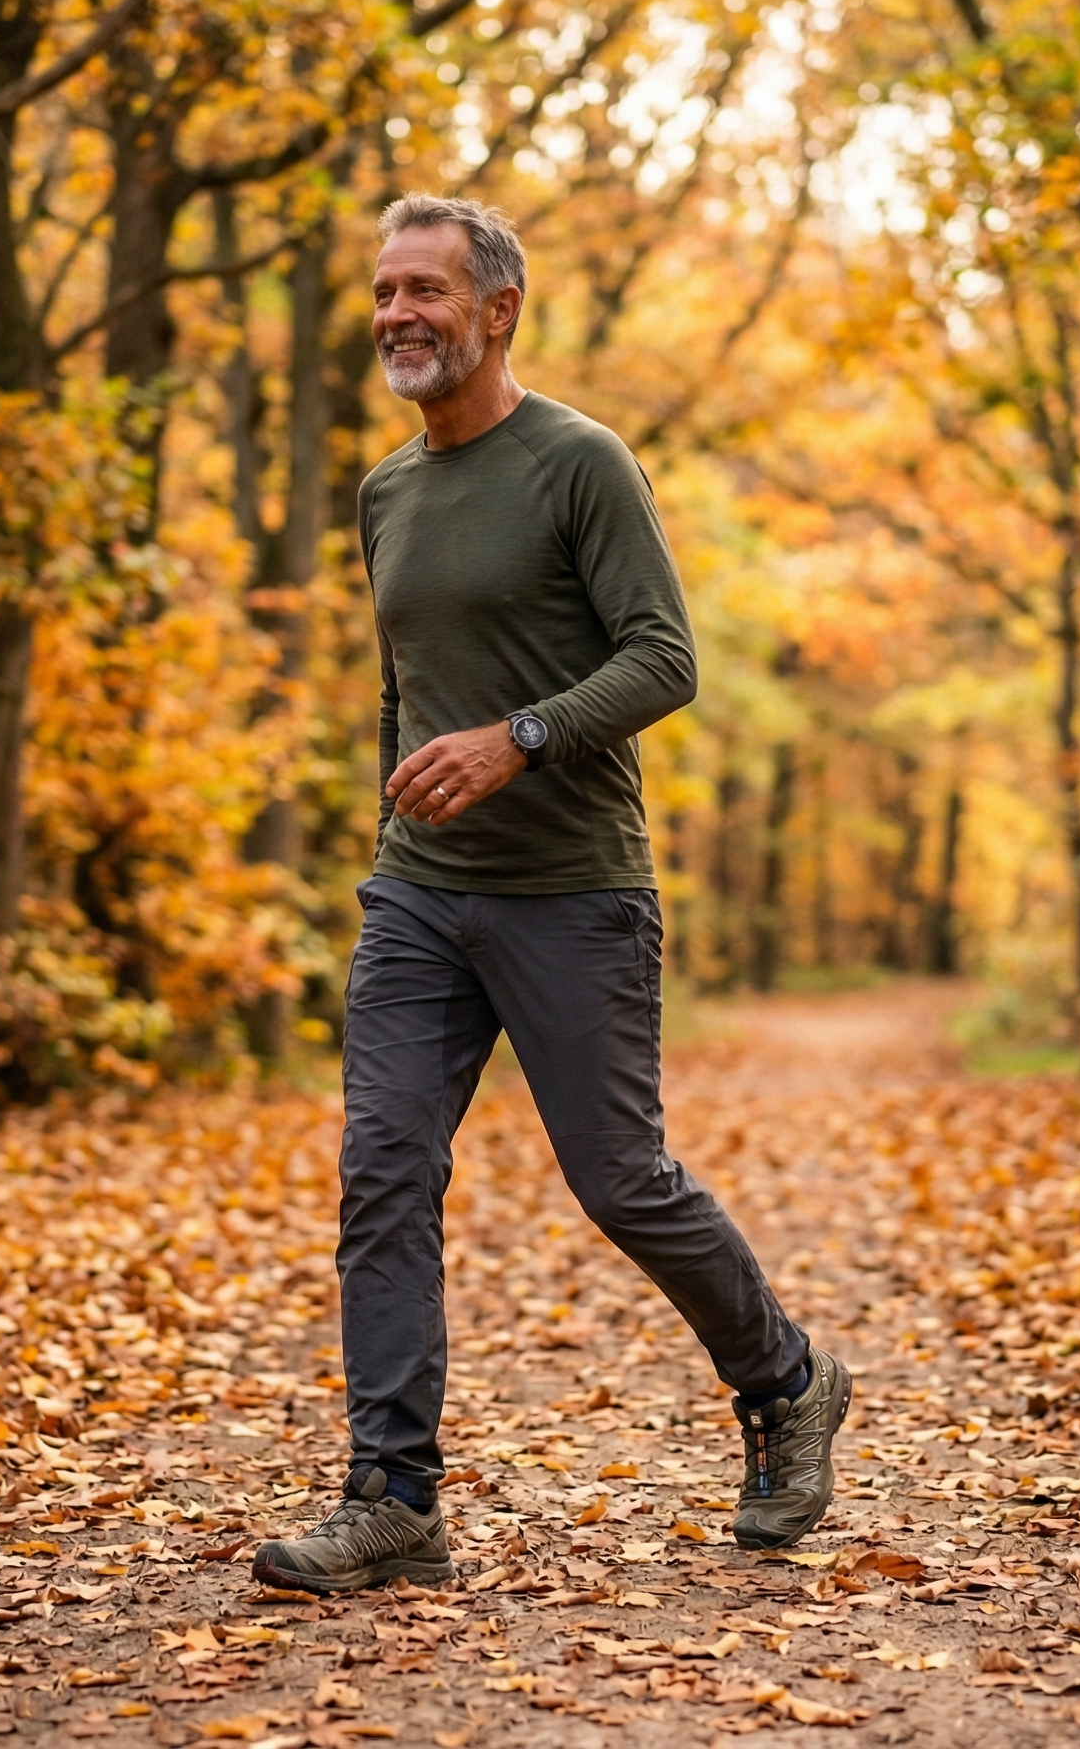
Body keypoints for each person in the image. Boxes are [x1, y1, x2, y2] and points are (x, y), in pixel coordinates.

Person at [251, 195, 847, 1595]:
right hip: (418, 900)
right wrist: (408, 790)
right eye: (383, 289)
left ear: (498, 308)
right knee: (382, 1176)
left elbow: (664, 659)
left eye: (424, 290)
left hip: (572, 891)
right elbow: (409, 692)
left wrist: (515, 740)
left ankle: (789, 1382)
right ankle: (392, 1500)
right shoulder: (386, 490)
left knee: (620, 1181)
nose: (396, 313)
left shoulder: (581, 463)